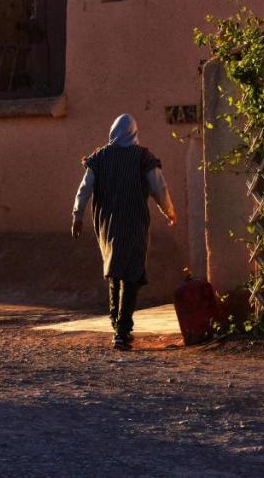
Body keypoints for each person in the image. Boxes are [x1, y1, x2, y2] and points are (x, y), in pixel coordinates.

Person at [71, 114, 176, 350]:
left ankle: (116, 325)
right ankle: (122, 329)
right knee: (132, 273)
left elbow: (84, 188)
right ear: (134, 133)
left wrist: (77, 216)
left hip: (108, 224)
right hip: (135, 223)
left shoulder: (99, 158)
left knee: (115, 270)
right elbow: (159, 186)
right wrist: (169, 211)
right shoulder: (143, 158)